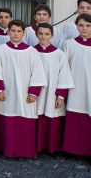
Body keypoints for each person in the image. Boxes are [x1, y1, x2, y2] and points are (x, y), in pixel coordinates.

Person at [0, 19, 47, 159]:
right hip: (7, 92)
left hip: (25, 92)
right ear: (8, 32)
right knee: (8, 119)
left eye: (19, 31)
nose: (16, 34)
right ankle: (8, 150)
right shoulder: (0, 49)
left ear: (24, 33)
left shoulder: (31, 51)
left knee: (25, 120)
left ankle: (24, 151)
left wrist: (34, 92)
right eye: (13, 31)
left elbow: (38, 72)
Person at [34, 23, 74, 155]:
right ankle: (37, 146)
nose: (43, 36)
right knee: (36, 118)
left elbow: (65, 75)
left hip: (52, 93)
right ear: (36, 34)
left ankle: (52, 148)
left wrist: (61, 96)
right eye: (40, 33)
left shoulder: (59, 54)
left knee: (52, 118)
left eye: (46, 34)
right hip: (35, 93)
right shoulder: (31, 52)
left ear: (52, 36)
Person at [62, 13, 91, 157]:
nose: (84, 29)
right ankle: (73, 150)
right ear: (76, 26)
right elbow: (64, 67)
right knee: (75, 119)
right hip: (75, 87)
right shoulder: (69, 44)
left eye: (88, 26)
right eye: (81, 25)